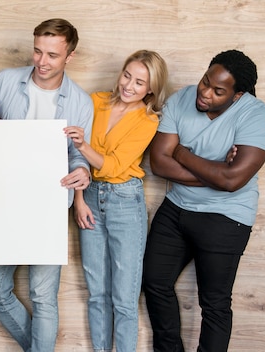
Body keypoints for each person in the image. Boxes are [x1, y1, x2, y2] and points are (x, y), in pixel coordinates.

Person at [142, 49, 265, 351]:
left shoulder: (258, 116)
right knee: (154, 282)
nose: (204, 93)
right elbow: (160, 163)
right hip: (176, 209)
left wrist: (182, 153)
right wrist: (214, 173)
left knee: (214, 303)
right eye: (205, 82)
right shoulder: (181, 99)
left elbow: (231, 181)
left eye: (218, 91)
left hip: (226, 218)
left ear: (238, 95)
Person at [0, 18, 93, 352]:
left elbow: (78, 157)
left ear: (69, 57)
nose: (42, 62)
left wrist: (82, 174)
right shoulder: (5, 81)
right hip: (6, 202)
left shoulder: (80, 102)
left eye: (53, 55)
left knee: (43, 297)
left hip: (49, 206)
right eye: (37, 51)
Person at [65, 50, 169, 352]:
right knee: (97, 294)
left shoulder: (149, 120)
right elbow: (76, 161)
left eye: (139, 82)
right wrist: (79, 200)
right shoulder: (94, 101)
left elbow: (111, 165)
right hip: (90, 196)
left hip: (125, 202)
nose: (128, 86)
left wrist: (83, 144)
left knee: (124, 300)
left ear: (150, 89)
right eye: (127, 75)